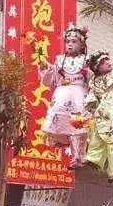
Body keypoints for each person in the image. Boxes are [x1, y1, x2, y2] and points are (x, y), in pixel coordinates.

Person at [38, 24, 90, 168]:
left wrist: (89, 74)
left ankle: (78, 155)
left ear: (82, 44)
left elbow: (92, 79)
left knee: (78, 124)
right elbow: (53, 78)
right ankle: (59, 141)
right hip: (62, 92)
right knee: (59, 119)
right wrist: (45, 68)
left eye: (74, 42)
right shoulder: (60, 59)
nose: (70, 44)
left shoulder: (87, 59)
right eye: (68, 41)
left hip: (78, 93)